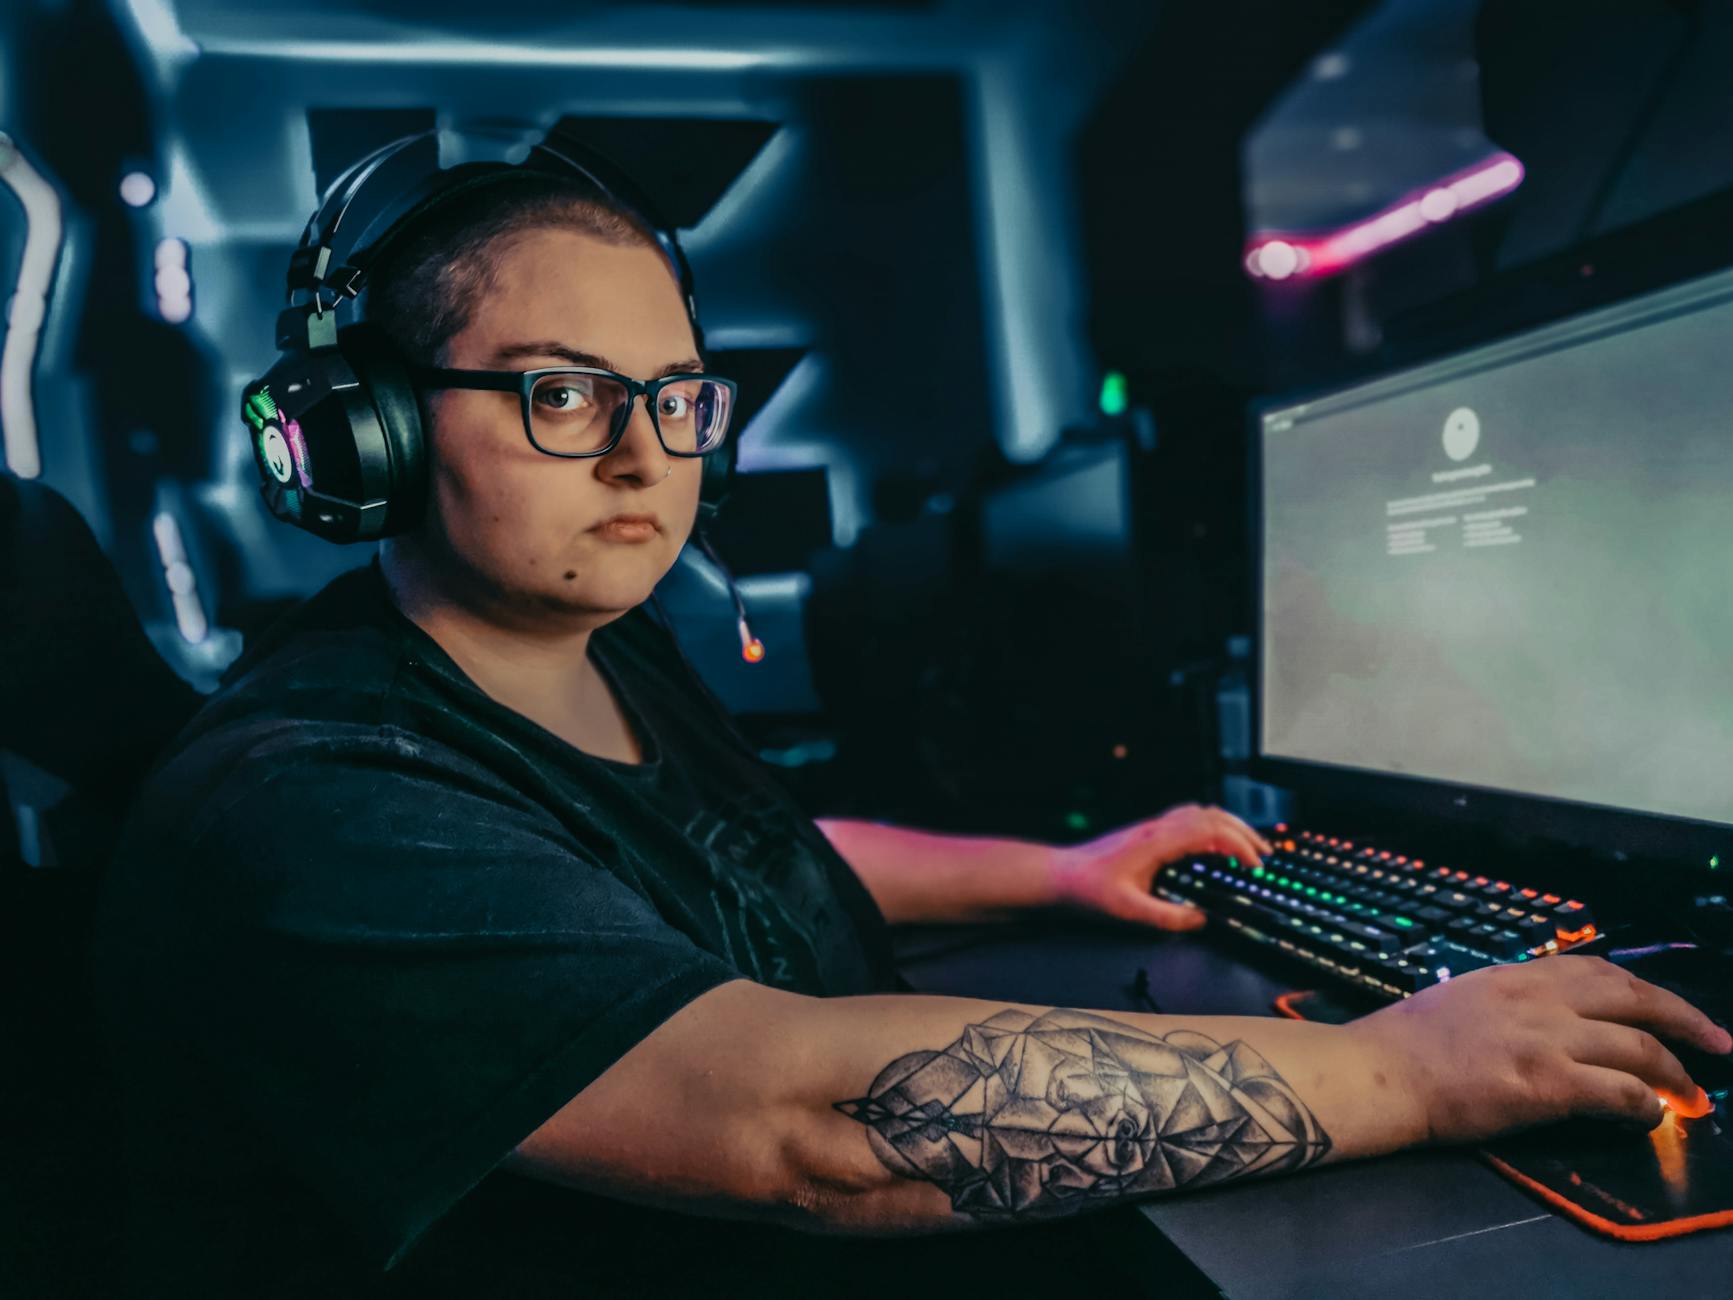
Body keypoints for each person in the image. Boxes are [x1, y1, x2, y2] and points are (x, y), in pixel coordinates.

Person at [92, 171, 1730, 1300]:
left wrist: (1062, 871)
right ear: (355, 433)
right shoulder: (304, 798)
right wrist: (1404, 1072)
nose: (647, 458)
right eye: (561, 392)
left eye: (675, 397)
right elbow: (798, 1131)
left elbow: (703, 859)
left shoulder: (590, 653)